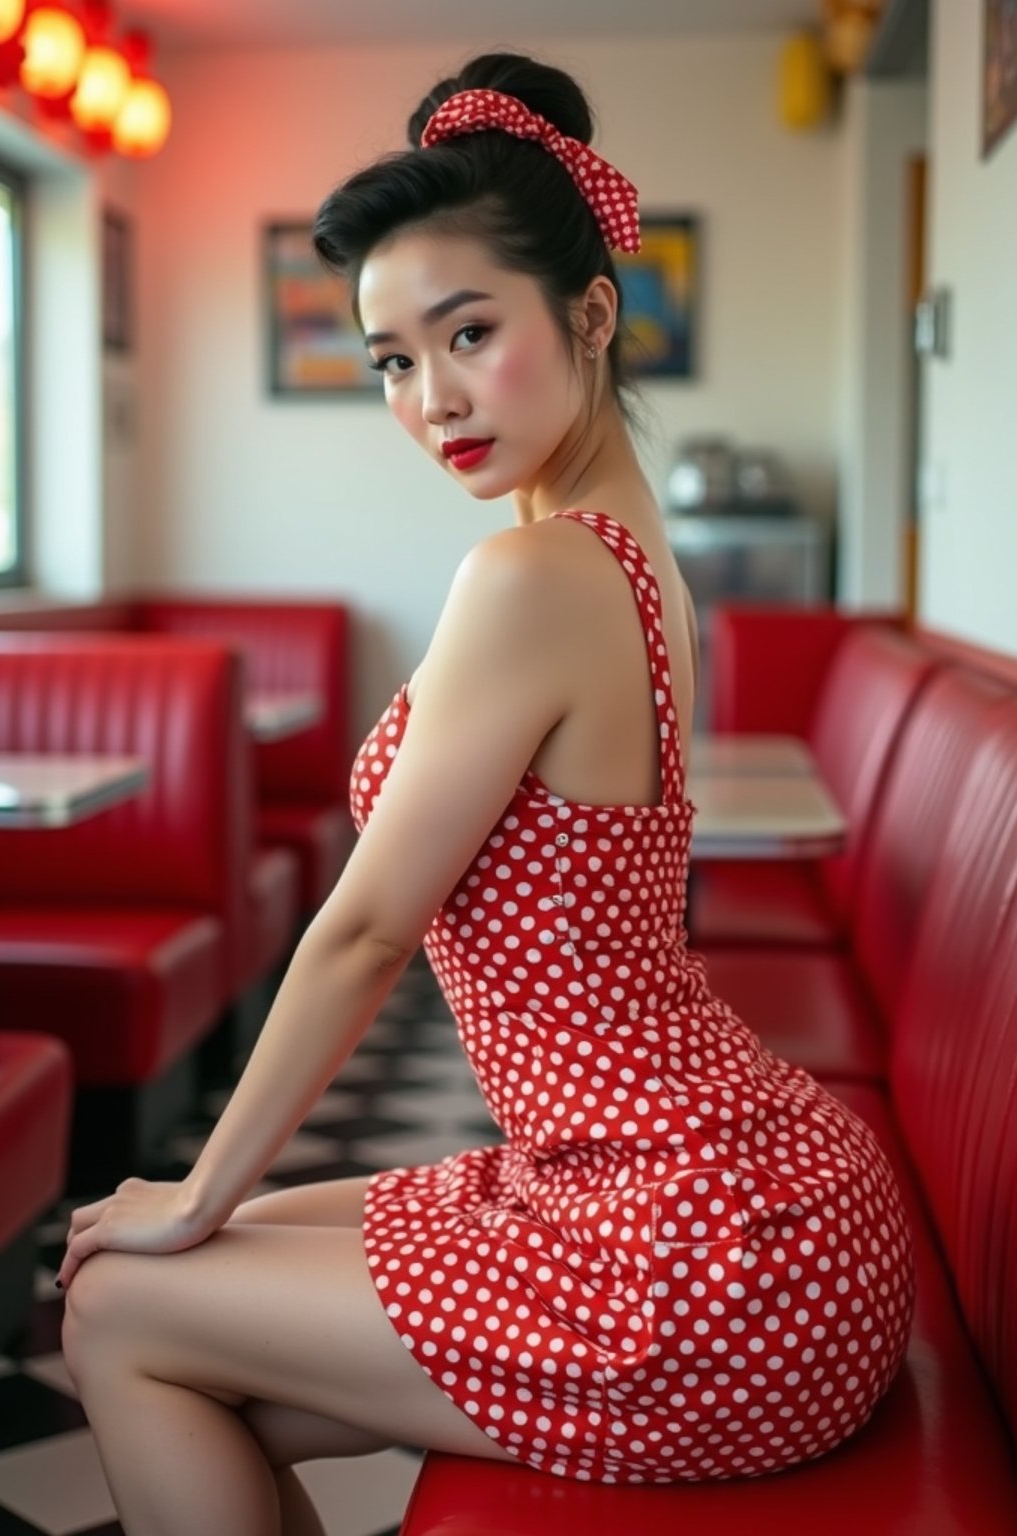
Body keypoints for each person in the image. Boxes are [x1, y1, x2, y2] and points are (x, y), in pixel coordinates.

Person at [56, 49, 916, 1532]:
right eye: (393, 359)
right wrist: (213, 1207)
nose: (431, 397)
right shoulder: (624, 552)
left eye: (468, 334)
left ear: (590, 315)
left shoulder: (534, 572)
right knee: (211, 1316)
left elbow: (365, 932)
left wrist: (188, 1189)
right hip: (718, 1193)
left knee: (129, 1306)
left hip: (692, 1252)